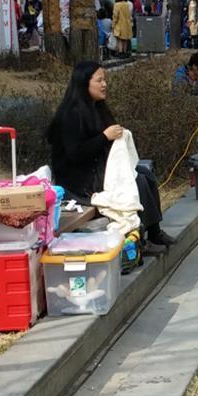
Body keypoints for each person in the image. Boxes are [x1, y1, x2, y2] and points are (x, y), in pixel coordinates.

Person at [47, 61, 174, 254]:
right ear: (84, 83)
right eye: (99, 80)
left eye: (104, 80)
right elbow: (76, 154)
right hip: (81, 182)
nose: (104, 84)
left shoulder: (97, 108)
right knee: (136, 182)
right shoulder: (70, 115)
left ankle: (154, 231)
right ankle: (137, 240)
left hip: (99, 170)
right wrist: (104, 137)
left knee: (144, 174)